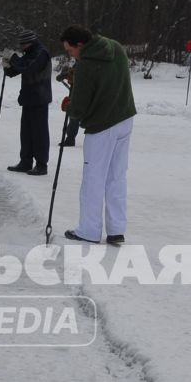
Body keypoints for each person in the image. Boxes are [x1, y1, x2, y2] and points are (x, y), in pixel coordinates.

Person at [57, 25, 136, 245]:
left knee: (93, 178)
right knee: (116, 177)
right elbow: (110, 81)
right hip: (125, 118)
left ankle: (89, 230)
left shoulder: (86, 66)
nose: (70, 55)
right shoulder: (116, 48)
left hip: (102, 126)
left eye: (70, 50)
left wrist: (68, 105)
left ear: (80, 44)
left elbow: (79, 108)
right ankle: (116, 229)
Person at [2, 30, 52, 174]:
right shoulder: (29, 53)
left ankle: (42, 165)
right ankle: (25, 162)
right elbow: (15, 71)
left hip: (40, 98)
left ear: (30, 42)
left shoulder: (41, 53)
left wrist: (13, 57)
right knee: (26, 132)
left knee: (39, 133)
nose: (22, 47)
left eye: (23, 44)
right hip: (29, 98)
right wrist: (7, 65)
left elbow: (28, 67)